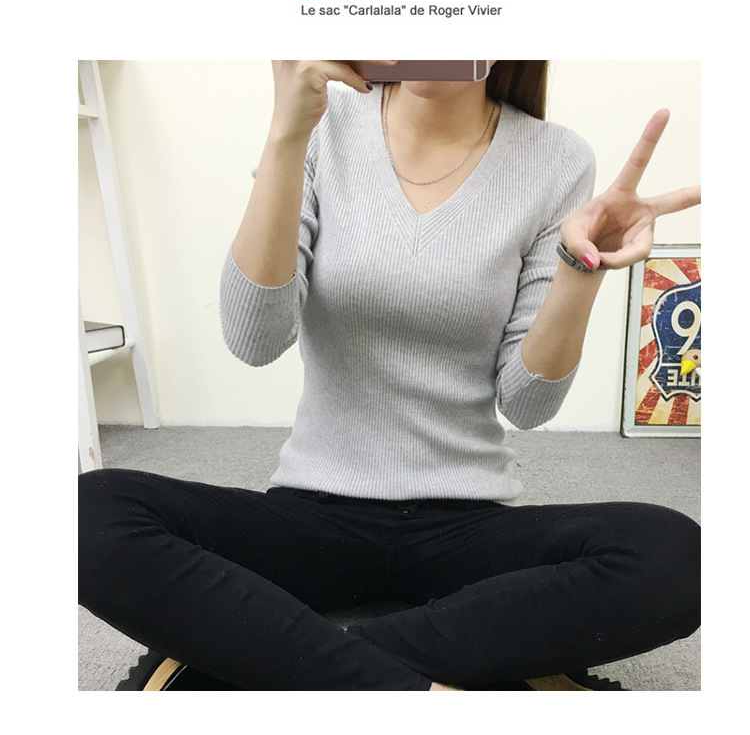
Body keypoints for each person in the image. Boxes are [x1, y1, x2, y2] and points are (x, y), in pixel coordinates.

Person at [78, 60, 701, 691]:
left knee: (675, 556)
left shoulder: (557, 158)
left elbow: (528, 403)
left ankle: (284, 658)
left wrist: (580, 266)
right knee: (85, 514)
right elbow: (253, 339)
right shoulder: (321, 124)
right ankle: (412, 685)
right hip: (312, 512)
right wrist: (286, 134)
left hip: (467, 520)